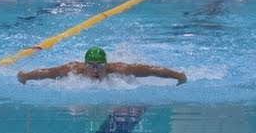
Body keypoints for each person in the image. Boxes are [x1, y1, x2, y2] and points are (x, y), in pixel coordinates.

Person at [17, 47, 187, 85]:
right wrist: (26, 76)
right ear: (85, 65)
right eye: (91, 66)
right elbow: (48, 73)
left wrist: (178, 76)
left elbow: (151, 70)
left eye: (99, 66)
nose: (95, 70)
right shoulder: (74, 70)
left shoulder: (120, 69)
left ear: (107, 65)